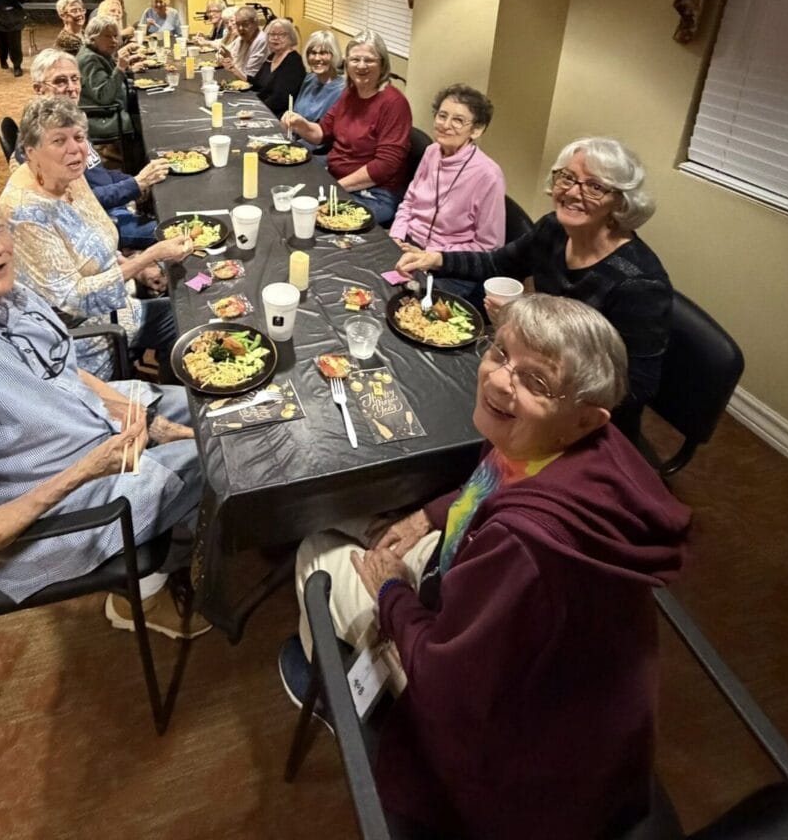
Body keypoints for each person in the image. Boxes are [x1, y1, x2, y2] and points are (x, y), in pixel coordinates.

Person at [281, 294, 690, 840]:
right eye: (500, 353)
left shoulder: (525, 548)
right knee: (348, 515)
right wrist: (428, 516)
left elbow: (448, 681)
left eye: (536, 382)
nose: (498, 380)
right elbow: (489, 484)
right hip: (487, 611)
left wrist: (392, 593)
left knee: (314, 549)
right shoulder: (565, 444)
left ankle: (338, 696)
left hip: (501, 739)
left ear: (585, 419)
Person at [0, 183, 209, 638]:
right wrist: (85, 471)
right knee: (219, 462)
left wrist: (143, 419)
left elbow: (62, 370)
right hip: (64, 505)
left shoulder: (4, 294)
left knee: (211, 408)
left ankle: (190, 529)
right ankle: (146, 591)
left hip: (91, 429)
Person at [396, 137, 671, 436]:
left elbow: (636, 387)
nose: (572, 192)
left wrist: (531, 330)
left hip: (578, 418)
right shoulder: (554, 229)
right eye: (567, 177)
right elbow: (497, 263)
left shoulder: (639, 284)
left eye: (595, 186)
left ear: (620, 201)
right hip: (532, 376)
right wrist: (436, 259)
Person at [0, 97, 191, 378]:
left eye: (79, 137)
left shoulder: (69, 174)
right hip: (74, 341)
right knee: (182, 319)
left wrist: (136, 269)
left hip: (108, 308)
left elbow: (96, 239)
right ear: (31, 151)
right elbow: (74, 299)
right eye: (59, 140)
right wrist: (147, 257)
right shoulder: (25, 212)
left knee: (184, 314)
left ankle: (171, 384)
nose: (74, 149)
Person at [28, 48, 169, 249]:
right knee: (175, 231)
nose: (72, 88)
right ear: (39, 89)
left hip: (111, 205)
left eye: (75, 79)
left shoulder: (70, 119)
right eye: (60, 81)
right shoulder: (43, 140)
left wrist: (135, 182)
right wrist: (135, 184)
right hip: (94, 223)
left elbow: (99, 173)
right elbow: (78, 201)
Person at [281, 30, 412, 224]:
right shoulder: (350, 94)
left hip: (373, 193)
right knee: (283, 188)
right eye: (355, 59)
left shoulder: (394, 103)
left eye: (369, 60)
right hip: (336, 176)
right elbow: (322, 133)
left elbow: (385, 166)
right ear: (347, 63)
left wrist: (334, 188)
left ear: (382, 64)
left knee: (307, 219)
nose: (361, 66)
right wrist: (301, 124)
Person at [389, 84, 504, 295]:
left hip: (449, 266)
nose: (446, 125)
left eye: (458, 120)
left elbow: (488, 247)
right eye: (442, 116)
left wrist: (433, 255)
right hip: (408, 245)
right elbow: (409, 202)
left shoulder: (488, 175)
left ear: (476, 130)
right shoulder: (431, 152)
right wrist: (396, 236)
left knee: (404, 304)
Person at [77, 14, 146, 159]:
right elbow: (104, 97)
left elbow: (109, 78)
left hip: (111, 107)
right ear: (93, 38)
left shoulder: (98, 52)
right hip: (102, 115)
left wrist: (126, 66)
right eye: (107, 36)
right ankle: (137, 161)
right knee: (146, 120)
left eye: (115, 36)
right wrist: (120, 68)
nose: (114, 41)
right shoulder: (89, 59)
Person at [240, 18, 306, 118]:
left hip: (278, 115)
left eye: (281, 35)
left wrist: (255, 109)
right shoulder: (272, 56)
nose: (275, 38)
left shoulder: (293, 62)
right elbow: (257, 84)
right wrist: (234, 69)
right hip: (262, 107)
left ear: (291, 38)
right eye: (272, 34)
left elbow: (281, 99)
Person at [293, 30, 346, 129]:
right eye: (313, 53)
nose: (317, 58)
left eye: (323, 53)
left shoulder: (342, 90)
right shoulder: (309, 79)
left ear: (334, 55)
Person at [219, 6, 267, 80]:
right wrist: (229, 58)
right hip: (239, 81)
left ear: (256, 23)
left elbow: (249, 78)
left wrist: (232, 65)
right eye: (238, 24)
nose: (240, 28)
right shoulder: (241, 38)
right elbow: (227, 58)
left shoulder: (261, 41)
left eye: (245, 24)